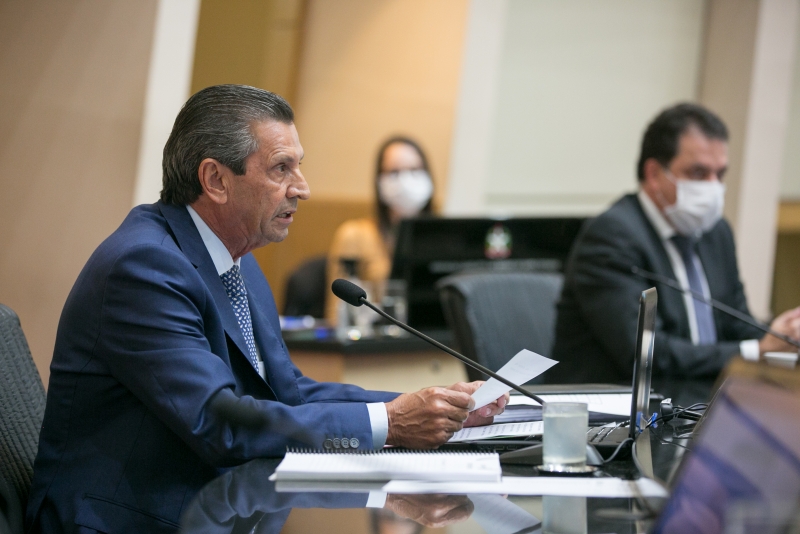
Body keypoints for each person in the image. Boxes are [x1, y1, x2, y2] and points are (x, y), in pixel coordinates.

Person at [25, 85, 506, 533]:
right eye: (282, 168)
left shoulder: (238, 262)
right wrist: (392, 421)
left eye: (299, 166)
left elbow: (286, 392)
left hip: (220, 510)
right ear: (216, 179)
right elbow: (218, 421)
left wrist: (440, 407)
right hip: (131, 521)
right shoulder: (145, 268)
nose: (303, 187)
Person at [550, 103, 800, 384]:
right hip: (617, 412)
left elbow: (736, 324)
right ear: (655, 174)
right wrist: (756, 351)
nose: (713, 187)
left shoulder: (716, 232)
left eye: (720, 174)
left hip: (697, 402)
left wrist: (785, 338)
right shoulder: (611, 236)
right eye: (698, 173)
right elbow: (647, 354)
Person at [325, 137, 434, 323]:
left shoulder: (439, 237)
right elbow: (337, 316)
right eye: (394, 172)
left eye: (415, 170)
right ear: (379, 180)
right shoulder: (354, 234)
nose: (406, 181)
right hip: (376, 344)